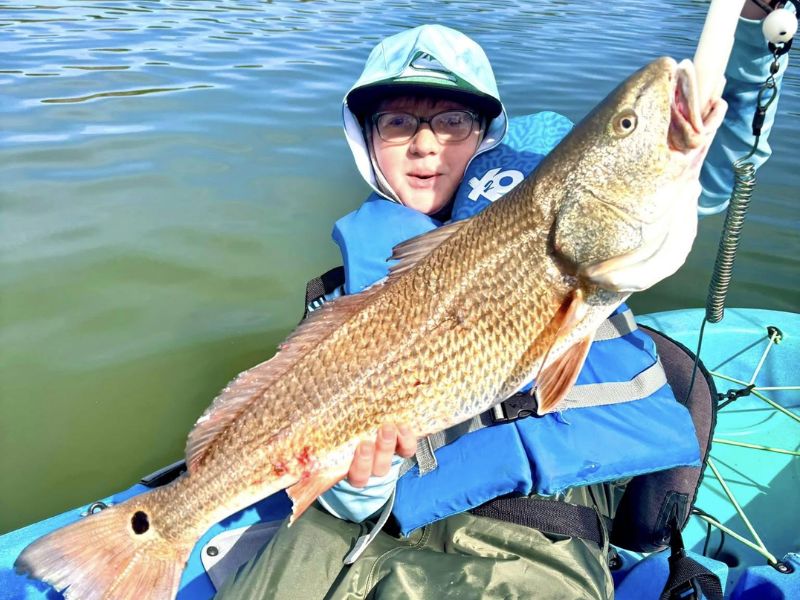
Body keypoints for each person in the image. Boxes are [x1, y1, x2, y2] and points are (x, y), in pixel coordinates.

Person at [217, 3, 789, 598]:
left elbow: (699, 164)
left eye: (453, 121)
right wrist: (362, 480)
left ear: (486, 134)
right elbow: (333, 479)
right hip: (355, 528)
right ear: (364, 137)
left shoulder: (558, 209)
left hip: (536, 526)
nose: (424, 145)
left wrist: (745, 30)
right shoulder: (340, 299)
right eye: (396, 123)